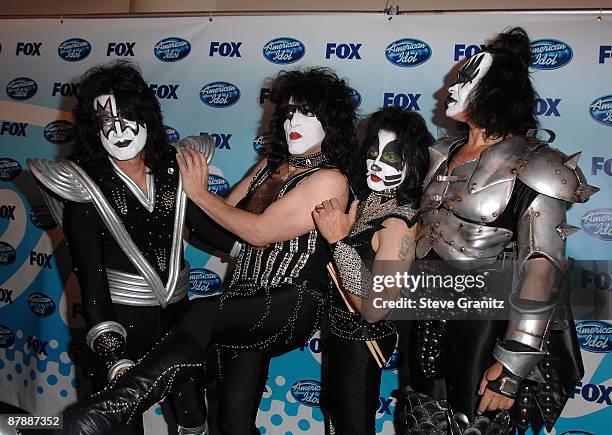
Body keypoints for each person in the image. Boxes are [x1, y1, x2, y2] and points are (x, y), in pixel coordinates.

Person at [60, 67, 358, 435]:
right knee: (232, 419)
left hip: (290, 299)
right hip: (243, 302)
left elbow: (258, 232)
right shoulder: (269, 166)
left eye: (309, 112)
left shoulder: (329, 177)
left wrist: (197, 192)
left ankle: (117, 403)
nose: (294, 120)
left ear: (332, 122)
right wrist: (175, 199)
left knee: (201, 312)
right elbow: (224, 222)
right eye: (290, 111)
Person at [404, 28, 598, 434]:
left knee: (475, 423)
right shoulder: (438, 155)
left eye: (466, 80)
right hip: (429, 314)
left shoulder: (536, 163)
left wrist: (513, 363)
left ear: (496, 92)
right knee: (421, 419)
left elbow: (541, 265)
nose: (451, 89)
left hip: (488, 322)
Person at [27, 61, 236, 435]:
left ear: (147, 117)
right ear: (93, 129)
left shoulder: (175, 167)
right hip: (120, 324)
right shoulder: (83, 185)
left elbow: (207, 230)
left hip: (180, 323)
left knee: (193, 418)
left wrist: (268, 245)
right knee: (122, 426)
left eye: (127, 117)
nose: (119, 131)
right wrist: (114, 355)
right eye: (106, 122)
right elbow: (92, 284)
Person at [313, 106, 432, 434]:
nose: (377, 163)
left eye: (391, 157)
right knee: (336, 417)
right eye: (373, 151)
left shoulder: (401, 222)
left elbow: (377, 307)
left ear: (414, 162)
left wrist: (338, 242)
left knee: (352, 426)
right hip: (339, 332)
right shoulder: (367, 202)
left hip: (364, 339)